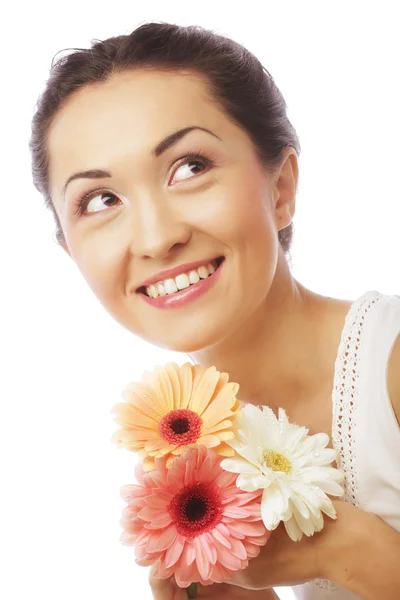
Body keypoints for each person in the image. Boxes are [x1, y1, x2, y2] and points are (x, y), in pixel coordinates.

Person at [29, 21, 400, 600]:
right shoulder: (202, 455)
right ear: (70, 252)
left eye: (189, 167)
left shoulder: (392, 361)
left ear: (280, 189)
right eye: (101, 201)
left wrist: (339, 546)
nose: (155, 238)